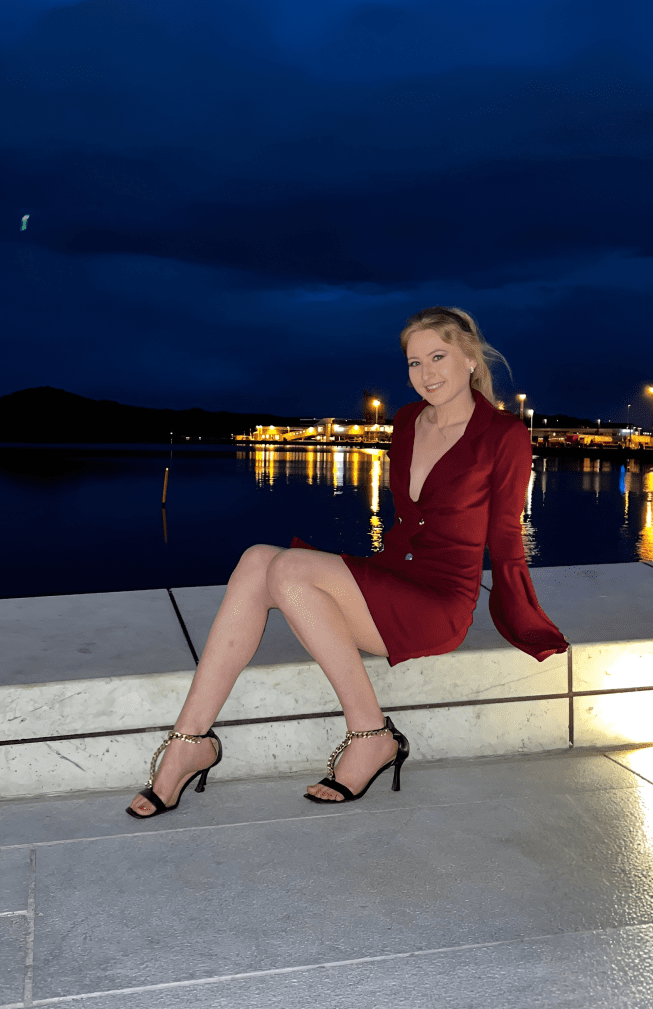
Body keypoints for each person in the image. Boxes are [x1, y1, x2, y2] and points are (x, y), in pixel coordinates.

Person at [127, 306, 569, 819]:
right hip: (390, 575)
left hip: (437, 602)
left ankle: (370, 733)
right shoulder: (407, 420)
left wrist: (525, 619)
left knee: (289, 569)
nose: (425, 373)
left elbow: (507, 535)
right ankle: (189, 741)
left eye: (438, 357)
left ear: (469, 358)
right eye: (414, 362)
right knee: (255, 561)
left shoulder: (504, 434)